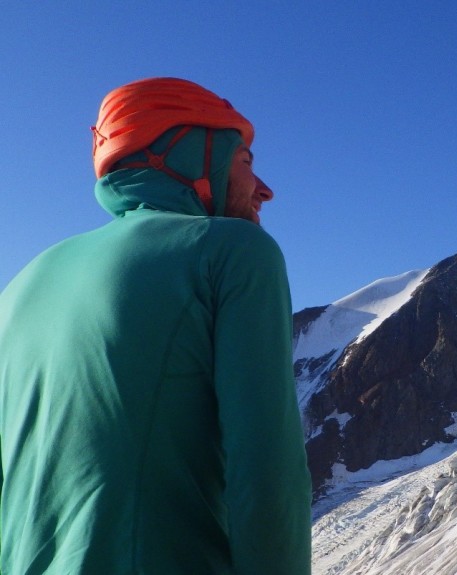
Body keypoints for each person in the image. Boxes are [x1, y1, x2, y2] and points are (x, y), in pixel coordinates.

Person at [0, 78, 312, 574]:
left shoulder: (20, 287)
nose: (264, 189)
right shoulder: (232, 252)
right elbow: (267, 476)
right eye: (245, 161)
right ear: (190, 153)